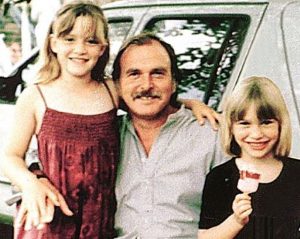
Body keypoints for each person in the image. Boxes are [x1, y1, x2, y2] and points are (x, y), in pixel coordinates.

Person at [1, 1, 119, 238]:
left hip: (98, 221)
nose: (80, 49)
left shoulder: (112, 91)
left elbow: (149, 103)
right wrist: (30, 184)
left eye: (91, 41)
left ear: (103, 48)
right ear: (53, 43)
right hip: (49, 219)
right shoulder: (36, 95)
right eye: (70, 39)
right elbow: (9, 156)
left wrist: (189, 104)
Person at [111, 33, 224, 239]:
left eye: (158, 73)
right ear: (117, 85)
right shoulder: (104, 138)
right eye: (134, 74)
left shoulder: (210, 135)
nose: (146, 85)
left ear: (174, 83)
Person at [198, 76, 300, 239]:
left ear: (281, 124)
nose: (257, 134)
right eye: (244, 123)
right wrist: (236, 221)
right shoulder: (220, 177)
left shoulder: (296, 174)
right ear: (231, 127)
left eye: (266, 122)